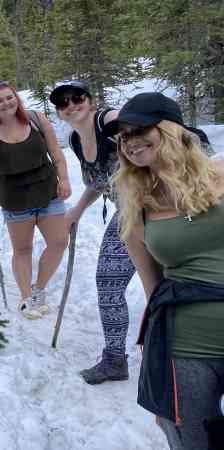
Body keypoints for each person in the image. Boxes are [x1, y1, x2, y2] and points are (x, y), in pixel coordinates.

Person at [106, 92, 224, 450]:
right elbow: (152, 289)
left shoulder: (221, 173)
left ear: (170, 129)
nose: (130, 141)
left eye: (139, 129)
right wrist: (156, 378)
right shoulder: (137, 206)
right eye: (123, 136)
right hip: (186, 346)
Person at [49, 80, 136, 384]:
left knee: (166, 285)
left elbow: (138, 124)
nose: (71, 105)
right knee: (110, 283)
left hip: (157, 208)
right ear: (59, 113)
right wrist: (76, 211)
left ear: (91, 99)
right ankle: (115, 360)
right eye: (63, 103)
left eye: (77, 98)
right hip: (127, 214)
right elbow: (98, 182)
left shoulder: (108, 121)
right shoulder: (75, 140)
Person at [0, 81, 71, 319]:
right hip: (14, 198)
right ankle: (26, 298)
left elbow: (56, 153)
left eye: (9, 98)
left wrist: (63, 179)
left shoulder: (36, 120)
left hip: (48, 191)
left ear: (16, 98)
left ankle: (38, 290)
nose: (6, 103)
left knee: (59, 241)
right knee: (23, 249)